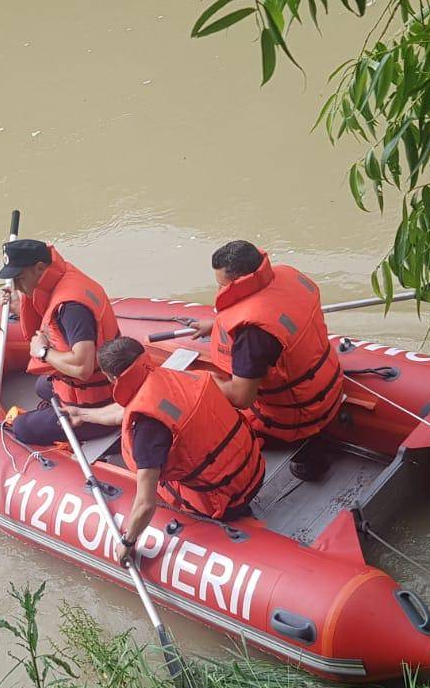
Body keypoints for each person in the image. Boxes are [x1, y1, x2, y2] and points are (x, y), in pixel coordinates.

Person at [67, 336, 265, 563]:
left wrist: (127, 543)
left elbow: (145, 504)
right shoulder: (179, 377)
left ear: (113, 377)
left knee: (147, 477)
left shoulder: (147, 427)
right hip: (255, 470)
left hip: (226, 501)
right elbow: (127, 409)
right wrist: (82, 414)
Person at [191, 240, 344, 444]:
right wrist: (217, 325)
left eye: (222, 286)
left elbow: (241, 398)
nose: (218, 292)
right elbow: (275, 315)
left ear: (239, 283)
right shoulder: (286, 275)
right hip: (330, 387)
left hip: (295, 417)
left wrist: (202, 379)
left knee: (204, 429)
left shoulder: (253, 333)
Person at [0, 238, 121, 446]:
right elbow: (53, 322)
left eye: (19, 279)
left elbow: (83, 368)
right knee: (41, 386)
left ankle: (106, 431)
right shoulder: (63, 278)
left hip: (99, 404)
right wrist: (20, 306)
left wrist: (43, 352)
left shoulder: (72, 309)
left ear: (39, 268)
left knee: (22, 427)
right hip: (100, 383)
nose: (17, 286)